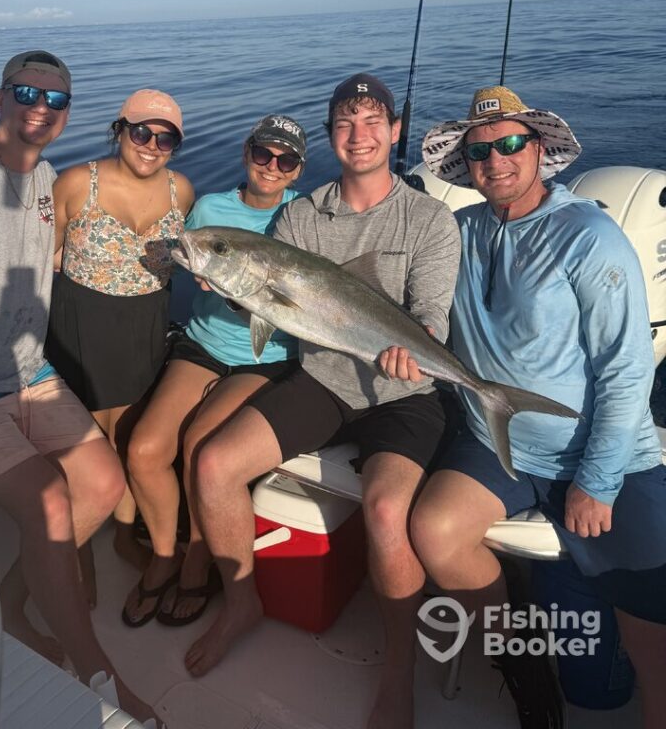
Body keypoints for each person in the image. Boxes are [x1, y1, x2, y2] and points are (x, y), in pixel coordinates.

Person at [184, 74, 461, 729]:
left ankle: (399, 669)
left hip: (406, 389)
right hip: (327, 380)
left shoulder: (429, 219)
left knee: (389, 512)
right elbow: (272, 304)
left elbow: (431, 318)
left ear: (396, 132)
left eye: (373, 121)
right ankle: (243, 601)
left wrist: (414, 348)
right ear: (331, 135)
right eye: (345, 122)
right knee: (213, 465)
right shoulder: (302, 215)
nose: (359, 134)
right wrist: (227, 279)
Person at [0, 51, 153, 723]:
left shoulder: (44, 179)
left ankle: (8, 603)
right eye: (26, 92)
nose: (41, 107)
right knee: (47, 503)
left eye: (57, 99)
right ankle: (99, 676)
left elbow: (55, 249)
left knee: (103, 485)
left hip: (28, 373)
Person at [410, 85, 666, 729]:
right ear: (463, 166)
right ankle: (521, 663)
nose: (496, 160)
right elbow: (402, 289)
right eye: (479, 151)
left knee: (650, 625)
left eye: (512, 143)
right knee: (434, 532)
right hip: (494, 436)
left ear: (541, 149)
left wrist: (598, 482)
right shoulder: (457, 230)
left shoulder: (589, 236)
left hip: (602, 449)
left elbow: (627, 370)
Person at [123, 114, 306, 628]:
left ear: (297, 171)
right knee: (143, 449)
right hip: (202, 345)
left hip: (264, 358)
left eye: (285, 160)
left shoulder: (303, 215)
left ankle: (198, 562)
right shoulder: (210, 208)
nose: (271, 166)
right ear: (246, 153)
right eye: (263, 154)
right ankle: (164, 555)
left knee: (200, 447)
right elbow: (188, 254)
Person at [46, 89, 194, 591]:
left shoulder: (183, 192)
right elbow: (47, 256)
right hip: (81, 328)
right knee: (82, 448)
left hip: (145, 328)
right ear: (120, 130)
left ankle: (125, 535)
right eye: (141, 132)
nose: (152, 145)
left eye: (166, 138)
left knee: (128, 438)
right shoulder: (73, 183)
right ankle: (78, 551)